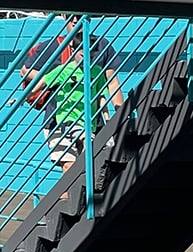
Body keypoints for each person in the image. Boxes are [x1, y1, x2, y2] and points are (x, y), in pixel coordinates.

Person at [19, 14, 123, 173]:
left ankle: (89, 198)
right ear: (63, 16)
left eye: (80, 15)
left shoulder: (102, 45)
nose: (75, 19)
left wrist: (119, 110)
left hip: (92, 121)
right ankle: (68, 199)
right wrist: (56, 77)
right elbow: (25, 71)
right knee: (69, 166)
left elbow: (112, 82)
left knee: (94, 168)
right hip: (58, 119)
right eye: (70, 15)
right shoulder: (54, 45)